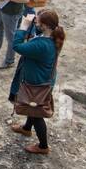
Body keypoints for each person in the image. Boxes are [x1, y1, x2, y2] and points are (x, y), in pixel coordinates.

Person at [8, 9, 64, 156]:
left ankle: (43, 146)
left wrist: (23, 26)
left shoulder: (42, 45)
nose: (35, 23)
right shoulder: (50, 37)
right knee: (31, 105)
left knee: (36, 113)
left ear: (45, 26)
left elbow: (17, 46)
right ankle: (26, 128)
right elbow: (34, 38)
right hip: (43, 79)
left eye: (37, 22)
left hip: (37, 83)